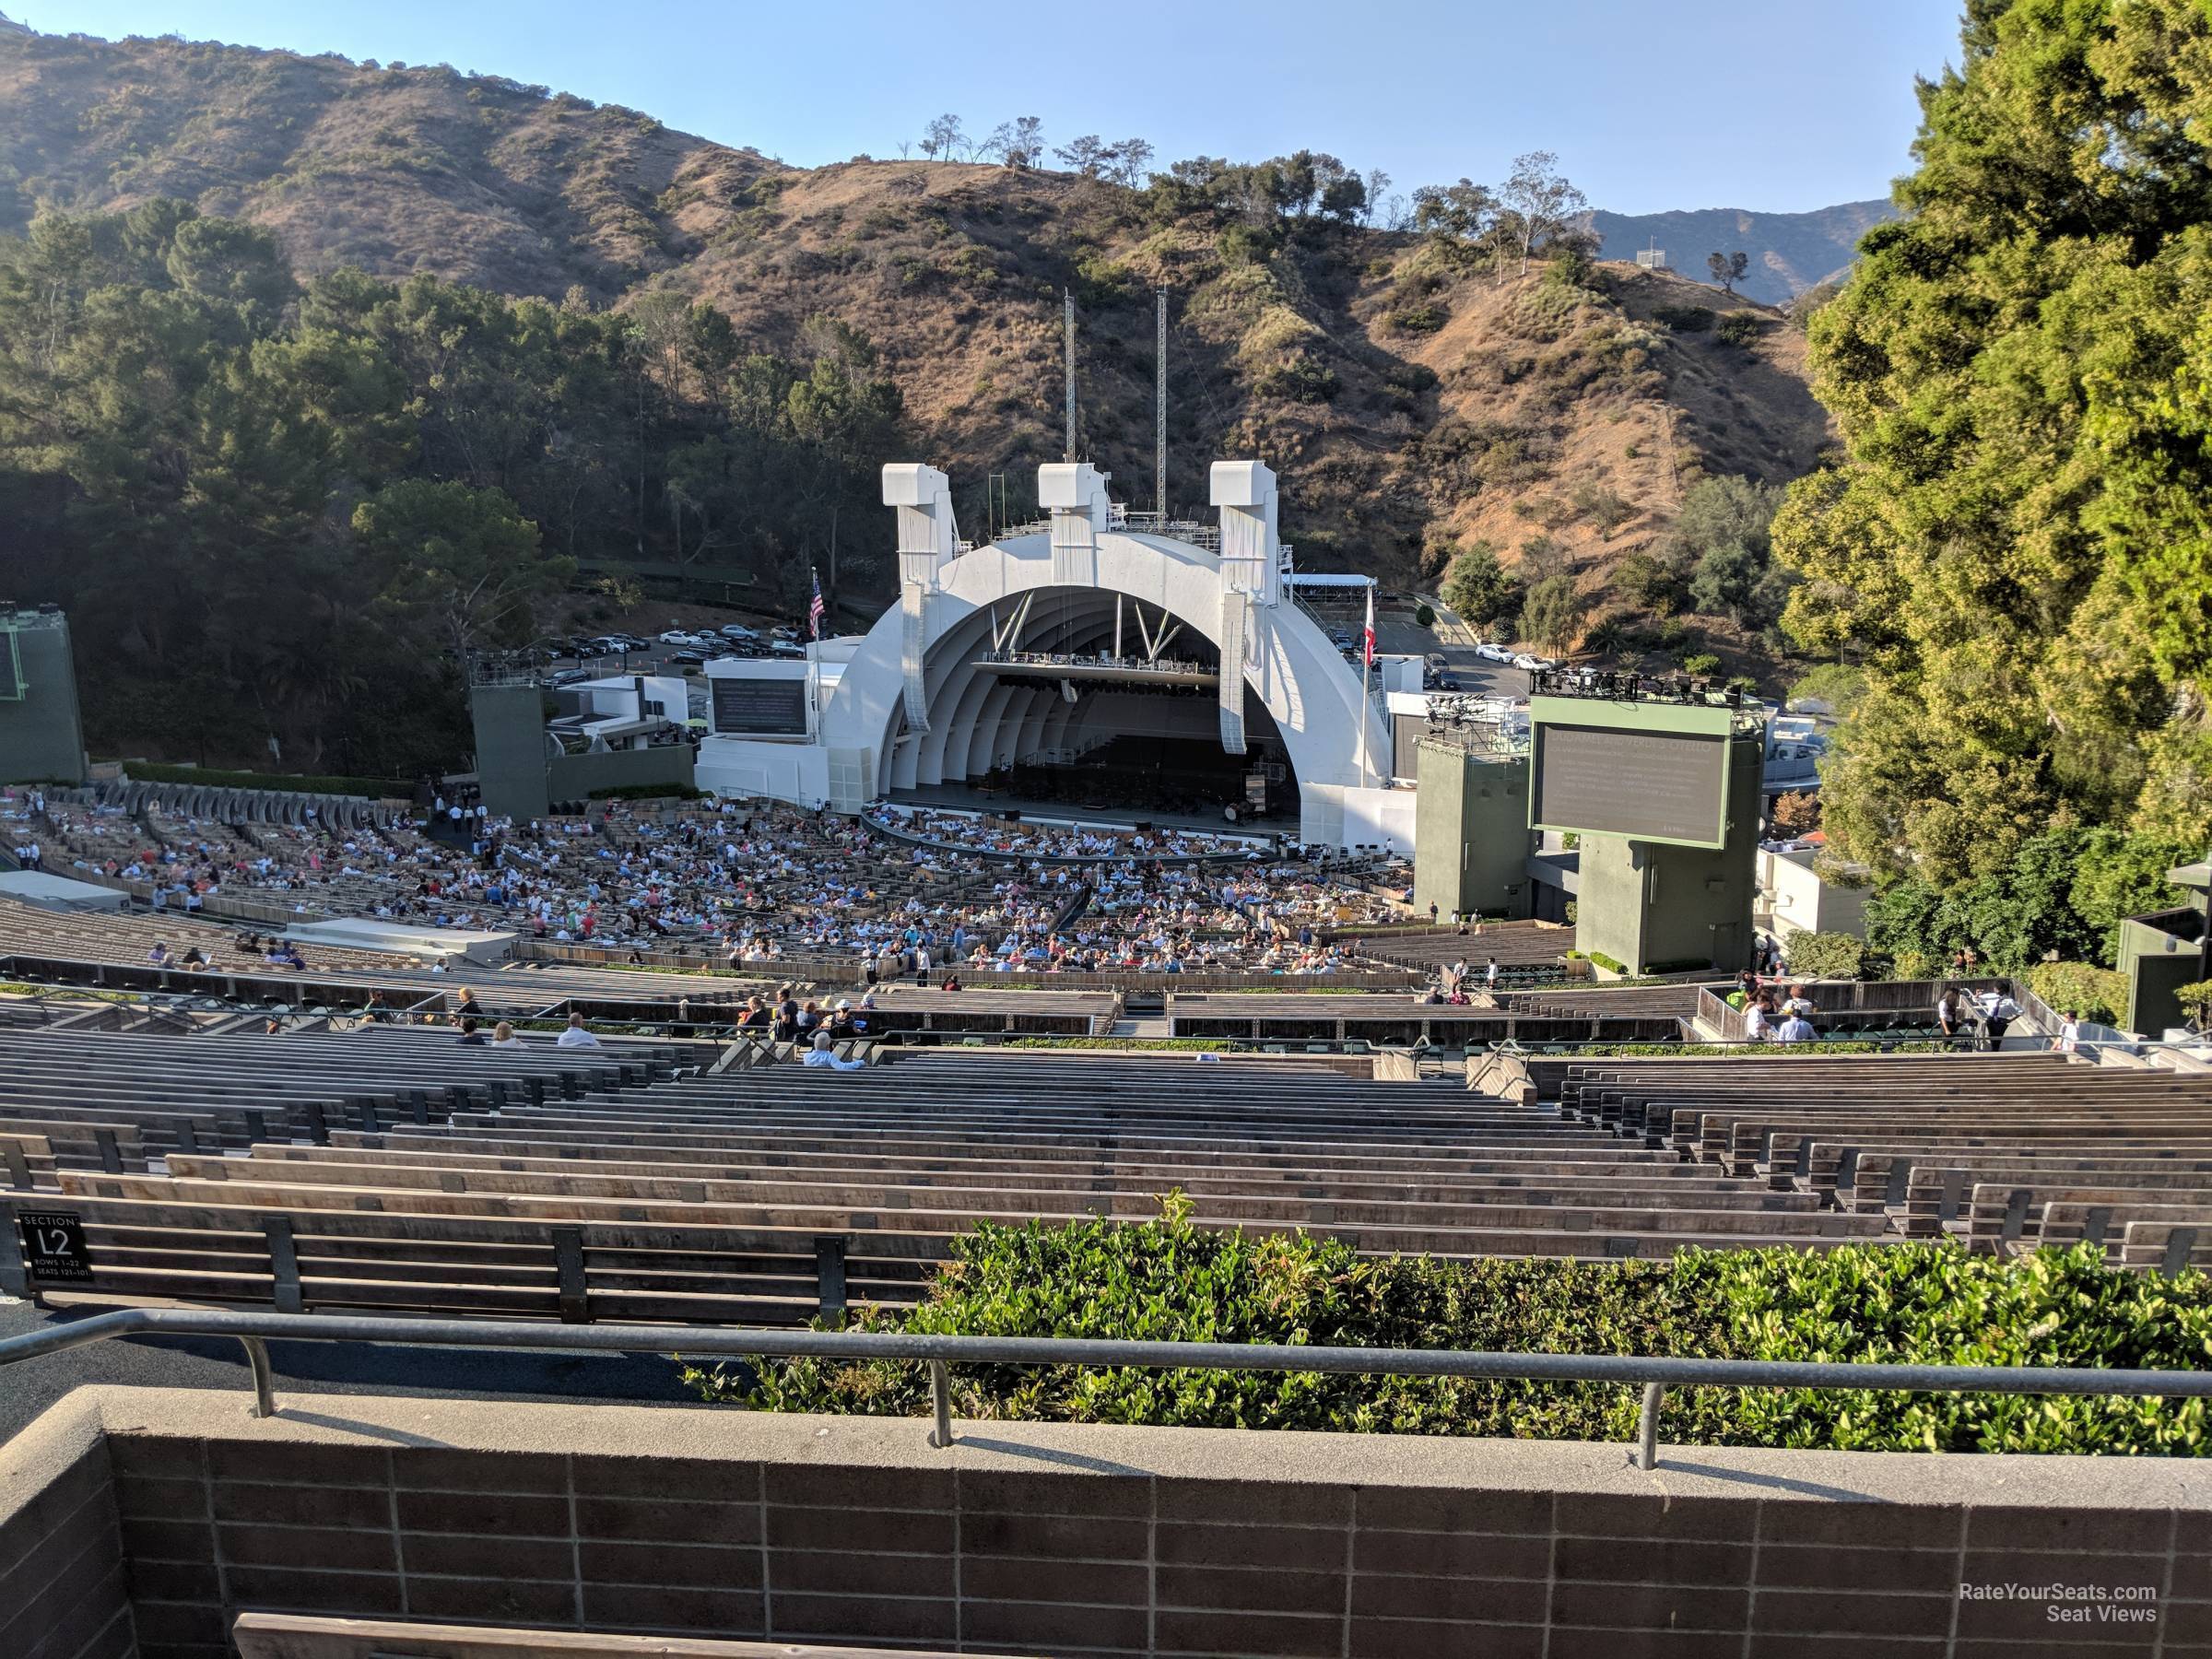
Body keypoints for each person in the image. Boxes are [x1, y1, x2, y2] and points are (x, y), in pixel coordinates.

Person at [1978, 985, 2020, 1051]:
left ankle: (1995, 1052)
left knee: (1997, 1039)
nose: (1996, 990)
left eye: (1998, 989)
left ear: (2003, 990)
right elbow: (1977, 999)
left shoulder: (2009, 1000)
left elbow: (2021, 1011)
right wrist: (1977, 995)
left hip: (2001, 1021)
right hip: (1991, 1019)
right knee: (1992, 1037)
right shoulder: (1991, 996)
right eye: (1995, 989)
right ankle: (1993, 1051)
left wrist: (2011, 1020)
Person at [802, 1029, 867, 1071]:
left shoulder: (806, 1056)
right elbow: (843, 1067)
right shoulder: (829, 1057)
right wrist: (860, 1062)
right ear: (828, 1046)